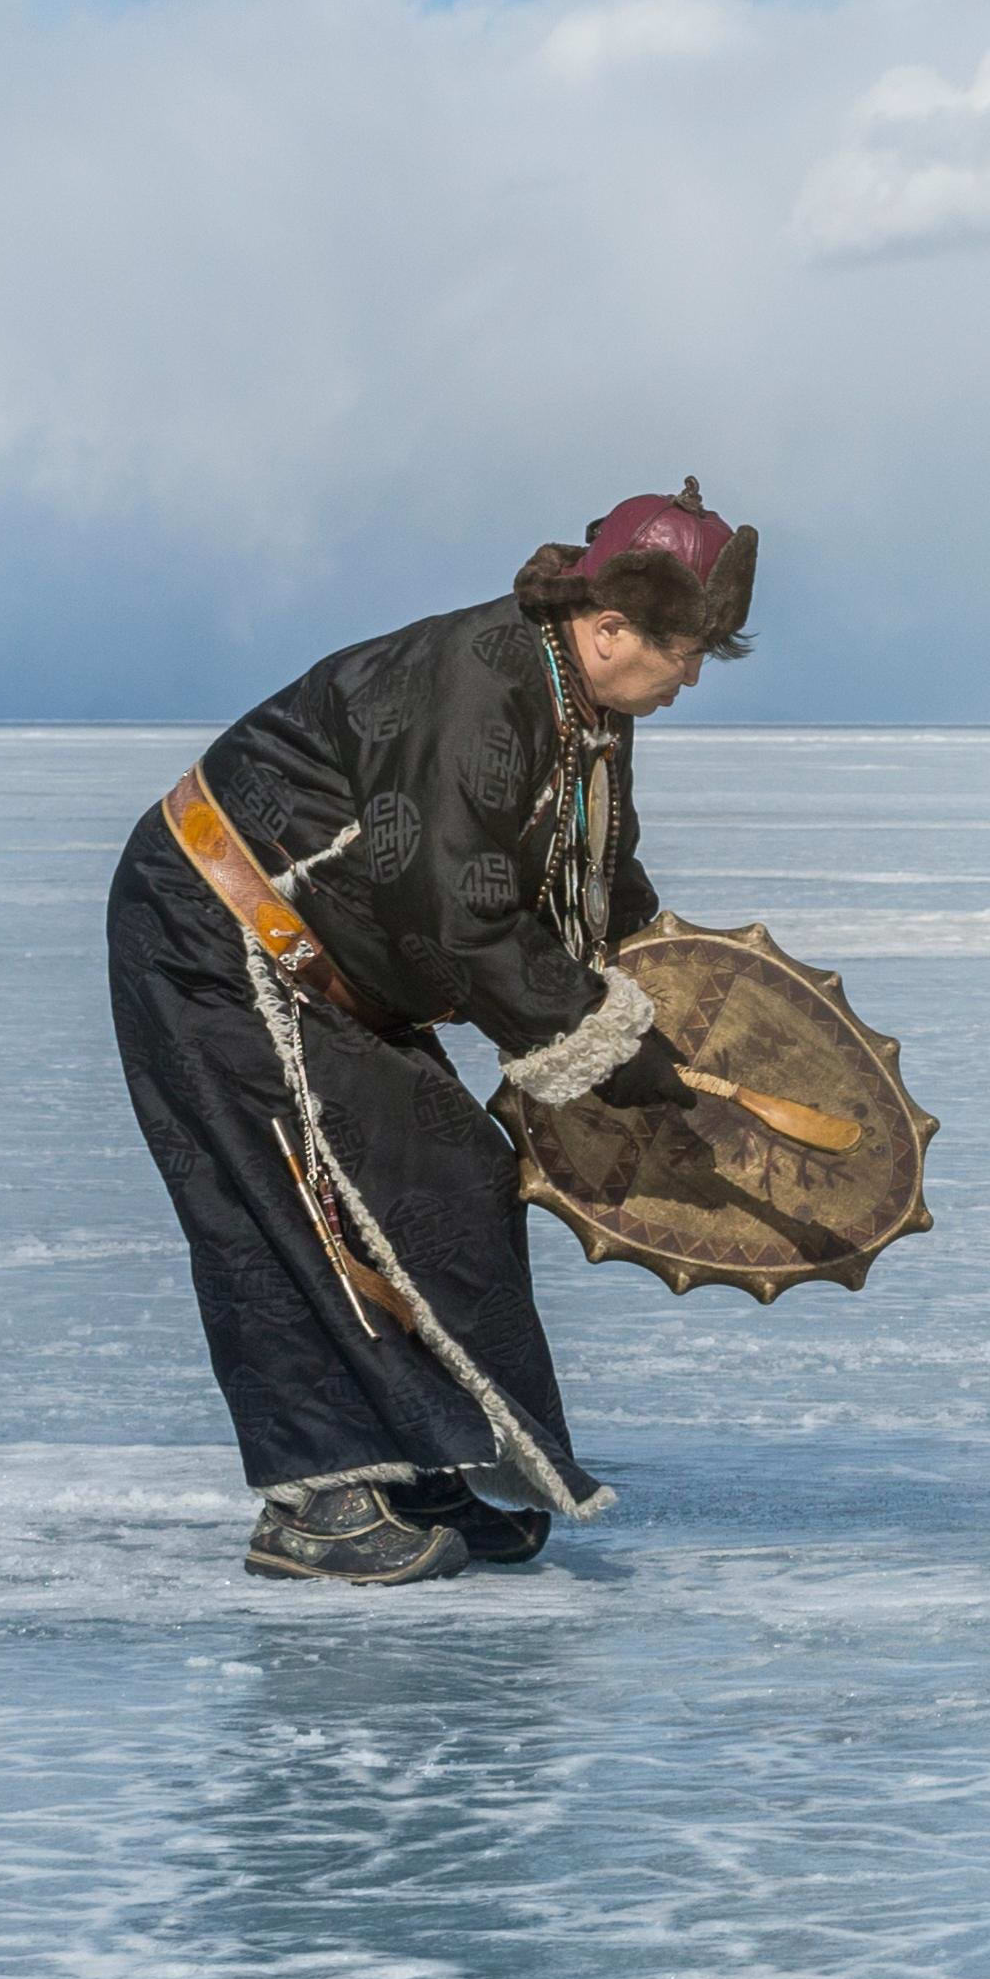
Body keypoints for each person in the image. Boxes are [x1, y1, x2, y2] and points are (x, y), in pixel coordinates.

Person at [106, 482, 754, 1582]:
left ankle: (424, 1457)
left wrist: (662, 996)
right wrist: (596, 1034)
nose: (690, 674)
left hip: (336, 971)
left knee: (451, 1179)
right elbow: (457, 898)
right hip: (216, 932)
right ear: (606, 628)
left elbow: (594, 878)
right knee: (290, 1202)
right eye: (682, 648)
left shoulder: (589, 710)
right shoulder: (482, 684)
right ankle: (316, 1500)